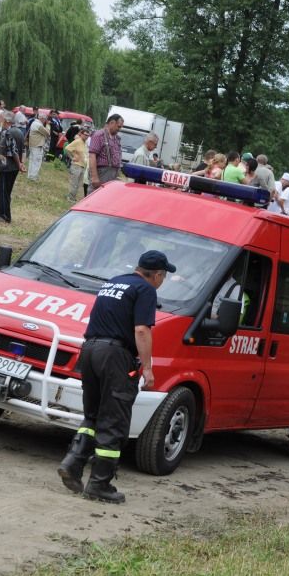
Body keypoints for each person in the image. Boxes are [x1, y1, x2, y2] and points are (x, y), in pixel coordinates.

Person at [58, 250, 174, 503]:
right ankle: (99, 484)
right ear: (156, 275)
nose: (161, 282)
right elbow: (141, 330)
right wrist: (147, 368)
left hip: (89, 350)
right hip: (114, 356)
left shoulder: (114, 282)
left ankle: (72, 463)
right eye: (163, 277)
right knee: (114, 420)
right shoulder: (145, 290)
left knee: (93, 414)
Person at [0, 111, 25, 224]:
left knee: (3, 191)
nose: (0, 120)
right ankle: (0, 212)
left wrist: (19, 164)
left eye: (2, 119)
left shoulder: (8, 132)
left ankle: (4, 215)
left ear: (7, 121)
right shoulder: (20, 132)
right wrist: (21, 163)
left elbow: (13, 151)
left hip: (7, 167)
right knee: (6, 191)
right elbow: (23, 149)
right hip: (13, 167)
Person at [88, 114, 123, 193]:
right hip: (101, 173)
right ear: (112, 123)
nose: (119, 129)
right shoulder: (99, 135)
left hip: (113, 173)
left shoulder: (117, 138)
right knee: (96, 196)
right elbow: (92, 156)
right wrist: (94, 177)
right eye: (118, 127)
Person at [65, 127, 90, 202]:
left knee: (79, 184)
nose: (86, 136)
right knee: (74, 182)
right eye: (85, 134)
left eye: (88, 135)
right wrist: (72, 157)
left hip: (82, 166)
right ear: (81, 134)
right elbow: (67, 148)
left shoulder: (85, 143)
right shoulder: (77, 141)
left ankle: (73, 197)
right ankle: (70, 197)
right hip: (76, 165)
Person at [26, 111, 50, 182]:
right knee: (37, 161)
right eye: (45, 119)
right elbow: (47, 133)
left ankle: (30, 175)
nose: (45, 121)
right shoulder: (38, 125)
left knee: (32, 160)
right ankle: (33, 177)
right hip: (37, 145)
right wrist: (48, 125)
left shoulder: (34, 123)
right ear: (42, 118)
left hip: (33, 144)